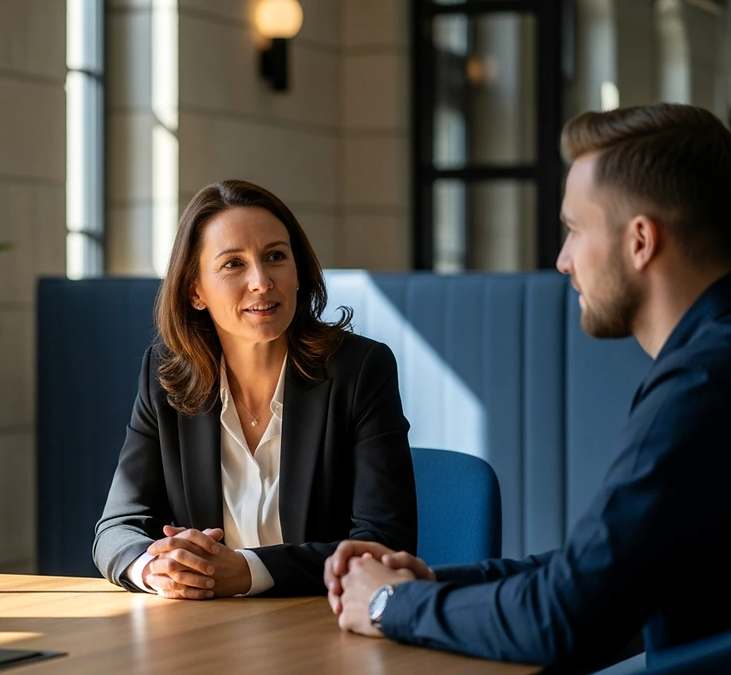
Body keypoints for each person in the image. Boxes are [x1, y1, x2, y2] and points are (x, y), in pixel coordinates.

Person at [325, 103, 731, 667]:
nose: (563, 260)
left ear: (640, 241)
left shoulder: (701, 384)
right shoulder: (706, 360)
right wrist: (433, 585)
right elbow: (596, 572)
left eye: (573, 229)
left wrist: (391, 604)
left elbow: (564, 615)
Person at [93, 179, 418, 598]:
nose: (262, 281)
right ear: (196, 291)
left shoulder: (359, 370)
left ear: (298, 272)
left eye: (276, 257)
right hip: (204, 632)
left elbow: (385, 543)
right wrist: (155, 566)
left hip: (323, 627)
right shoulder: (166, 377)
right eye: (233, 264)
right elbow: (116, 528)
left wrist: (247, 570)